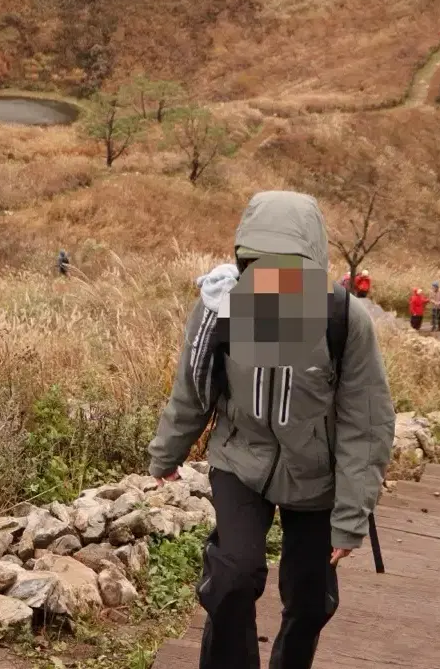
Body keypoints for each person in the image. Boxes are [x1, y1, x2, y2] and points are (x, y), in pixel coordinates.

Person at [147, 191, 395, 669]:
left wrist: (350, 516)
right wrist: (167, 454)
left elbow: (366, 425)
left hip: (317, 476)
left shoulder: (343, 320)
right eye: (259, 262)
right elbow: (193, 386)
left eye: (289, 264)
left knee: (309, 601)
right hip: (241, 459)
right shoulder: (221, 306)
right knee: (233, 578)